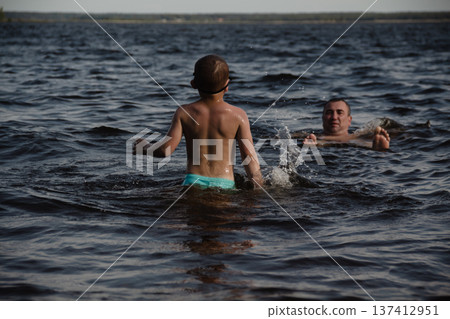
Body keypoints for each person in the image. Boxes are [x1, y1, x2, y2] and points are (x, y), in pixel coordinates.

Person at [138, 54, 263, 189]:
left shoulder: (184, 112)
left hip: (192, 182)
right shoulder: (239, 115)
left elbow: (165, 150)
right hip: (225, 183)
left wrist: (144, 147)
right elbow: (249, 157)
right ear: (227, 86)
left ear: (193, 84)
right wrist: (258, 184)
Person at [302, 98, 390, 150]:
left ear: (349, 120)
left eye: (339, 112)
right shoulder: (309, 136)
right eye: (329, 112)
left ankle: (378, 149)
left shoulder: (359, 137)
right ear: (322, 117)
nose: (334, 117)